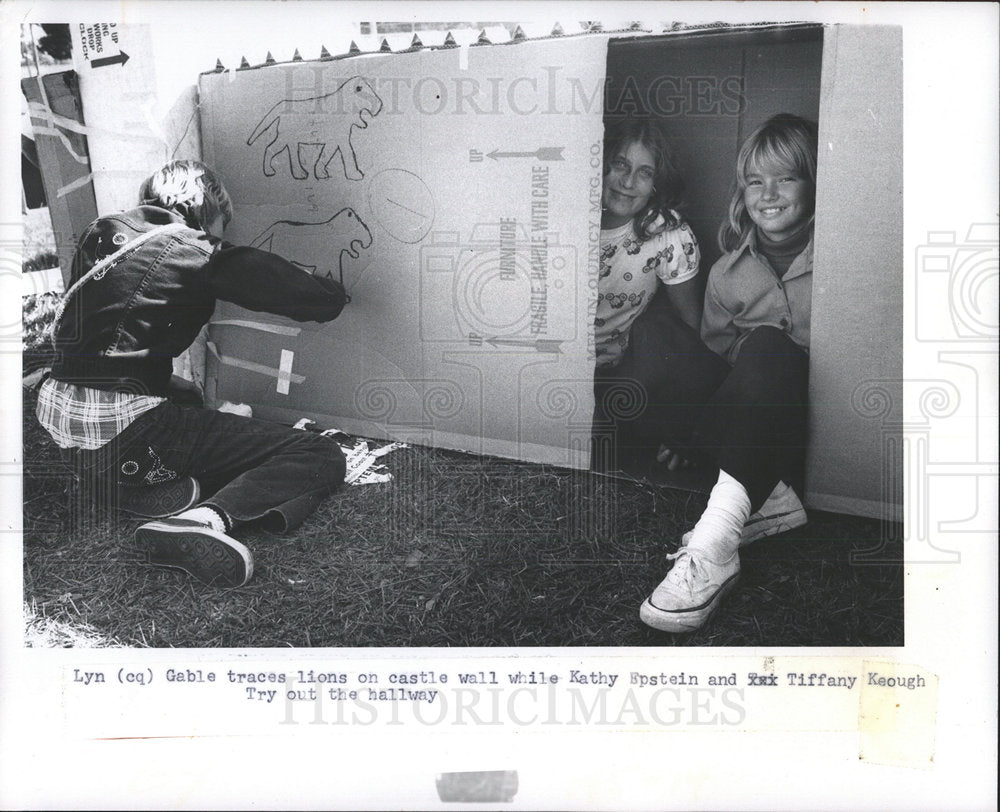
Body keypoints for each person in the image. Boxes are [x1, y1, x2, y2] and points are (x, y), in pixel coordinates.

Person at [36, 160, 349, 588]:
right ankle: (203, 520)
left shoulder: (101, 232)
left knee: (186, 396)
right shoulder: (195, 250)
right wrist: (333, 294)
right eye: (223, 223)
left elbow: (108, 341)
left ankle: (122, 485)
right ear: (206, 208)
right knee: (317, 454)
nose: (221, 234)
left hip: (62, 423)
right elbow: (291, 289)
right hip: (128, 433)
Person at [639, 113, 817, 633]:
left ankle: (714, 546)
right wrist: (696, 430)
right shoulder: (726, 272)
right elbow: (714, 367)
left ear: (813, 184)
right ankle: (771, 497)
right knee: (657, 333)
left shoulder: (842, 265)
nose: (769, 194)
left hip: (808, 427)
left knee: (766, 346)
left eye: (786, 178)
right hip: (745, 426)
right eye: (755, 181)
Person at [591, 119, 704, 472]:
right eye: (620, 164)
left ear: (657, 182)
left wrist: (688, 415)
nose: (628, 182)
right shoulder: (565, 216)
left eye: (644, 172)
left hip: (614, 374)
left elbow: (688, 328)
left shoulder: (664, 233)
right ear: (600, 164)